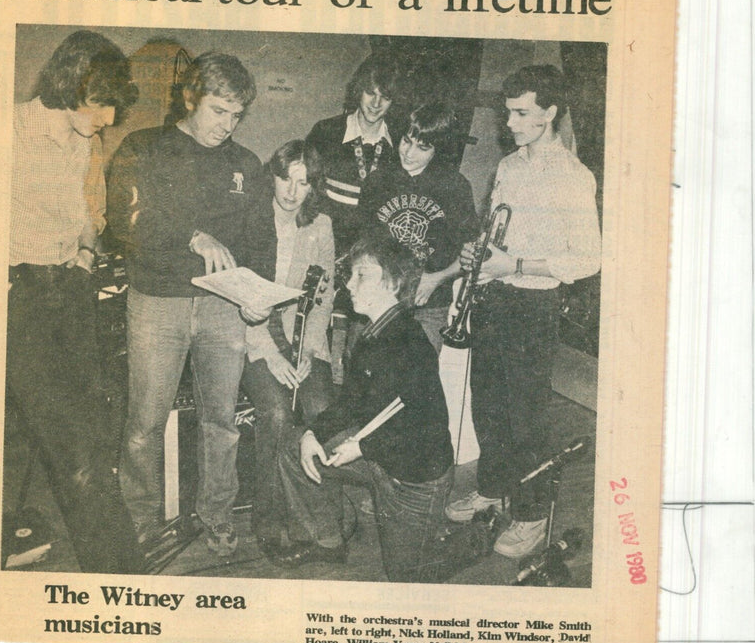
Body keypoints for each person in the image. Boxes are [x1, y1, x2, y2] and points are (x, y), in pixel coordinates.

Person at [107, 52, 276, 556]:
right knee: (146, 422)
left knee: (221, 421)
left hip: (224, 309)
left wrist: (258, 298)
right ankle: (142, 521)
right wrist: (192, 236)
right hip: (158, 303)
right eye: (218, 110)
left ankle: (218, 515)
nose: (227, 125)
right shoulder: (145, 147)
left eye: (236, 115)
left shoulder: (246, 165)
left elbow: (260, 244)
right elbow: (123, 221)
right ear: (189, 98)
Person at [272, 234, 499, 582]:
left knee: (408, 579)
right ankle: (328, 539)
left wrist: (362, 447)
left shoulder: (410, 344)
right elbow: (350, 403)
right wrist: (314, 433)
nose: (348, 283)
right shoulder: (371, 334)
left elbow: (420, 430)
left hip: (414, 478)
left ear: (392, 284)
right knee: (293, 445)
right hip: (379, 457)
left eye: (361, 275)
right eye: (351, 275)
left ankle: (478, 536)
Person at [445, 65, 601, 560]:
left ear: (549, 113)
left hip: (534, 304)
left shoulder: (574, 177)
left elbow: (588, 258)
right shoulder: (509, 167)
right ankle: (492, 488)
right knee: (488, 403)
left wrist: (515, 263)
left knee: (525, 417)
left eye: (521, 113)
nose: (508, 122)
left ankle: (532, 515)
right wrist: (481, 253)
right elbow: (497, 229)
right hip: (494, 298)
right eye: (507, 111)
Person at [7, 29, 145, 573]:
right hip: (23, 297)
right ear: (72, 85)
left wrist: (87, 254)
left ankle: (118, 564)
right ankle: (123, 579)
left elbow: (84, 214)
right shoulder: (9, 128)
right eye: (103, 103)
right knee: (74, 454)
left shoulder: (83, 140)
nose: (110, 119)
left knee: (93, 440)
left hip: (71, 290)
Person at [241, 140, 335, 554]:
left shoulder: (321, 227)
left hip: (302, 335)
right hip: (252, 334)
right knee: (277, 413)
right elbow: (238, 295)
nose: (292, 192)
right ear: (272, 177)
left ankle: (312, 519)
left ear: (314, 186)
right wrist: (269, 353)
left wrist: (311, 348)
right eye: (285, 178)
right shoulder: (249, 218)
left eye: (303, 182)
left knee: (320, 411)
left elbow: (324, 296)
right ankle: (268, 518)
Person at [358, 102, 479, 354]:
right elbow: (362, 246)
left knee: (416, 384)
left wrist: (435, 279)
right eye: (406, 141)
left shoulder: (455, 187)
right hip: (377, 302)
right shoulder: (376, 181)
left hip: (429, 308)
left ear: (439, 150)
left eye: (422, 147)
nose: (409, 153)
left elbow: (471, 252)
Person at [305, 53, 402, 259]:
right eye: (370, 93)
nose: (376, 103)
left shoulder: (399, 146)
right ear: (359, 91)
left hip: (370, 256)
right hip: (321, 246)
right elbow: (307, 191)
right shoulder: (326, 131)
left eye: (385, 97)